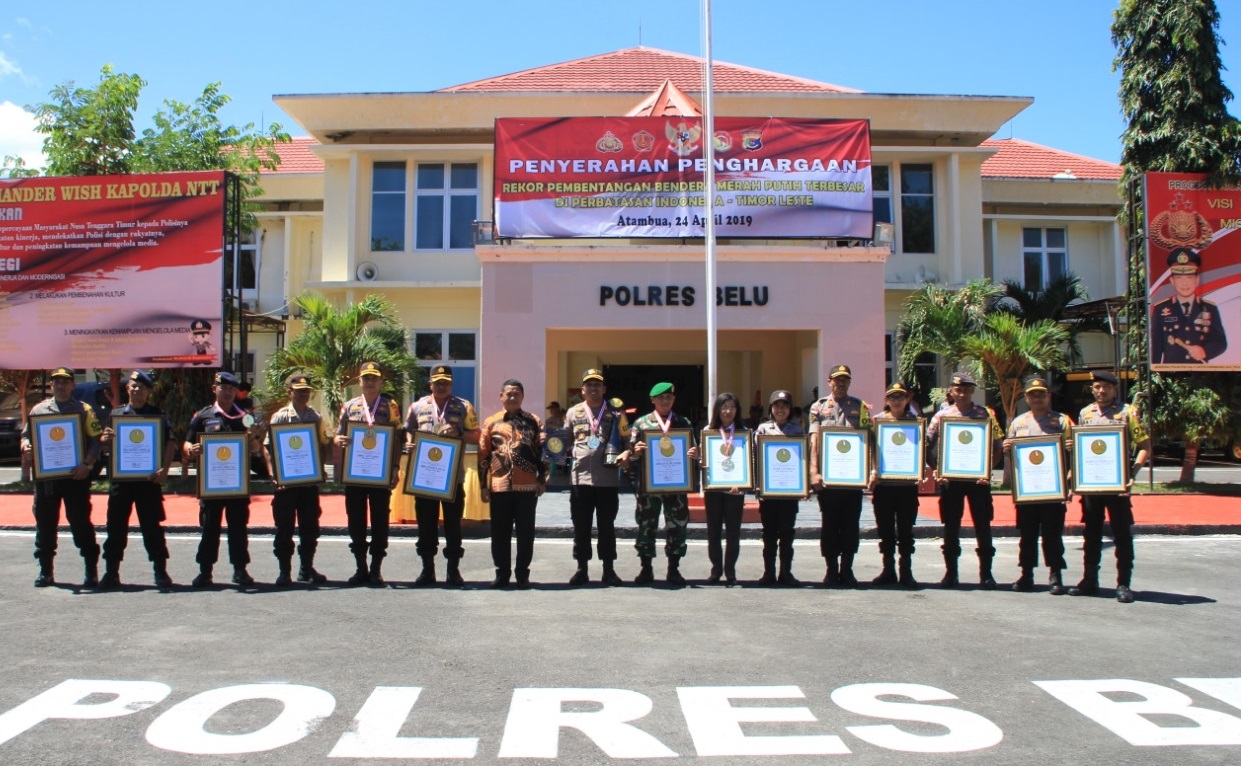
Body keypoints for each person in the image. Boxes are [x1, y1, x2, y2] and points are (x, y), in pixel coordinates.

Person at [1070, 370, 1152, 604]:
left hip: (1117, 484)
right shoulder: (1085, 413)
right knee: (1091, 533)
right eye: (1097, 387)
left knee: (1122, 534)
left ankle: (1123, 583)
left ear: (1114, 388)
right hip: (1092, 485)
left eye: (1106, 386)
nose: (1101, 391)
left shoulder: (1127, 413)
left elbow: (1144, 445)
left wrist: (1133, 473)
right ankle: (1089, 580)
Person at [20, 366, 104, 587]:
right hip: (47, 480)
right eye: (56, 381)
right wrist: (27, 446)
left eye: (65, 381)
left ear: (72, 385)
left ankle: (90, 570)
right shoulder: (38, 410)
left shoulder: (84, 409)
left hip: (75, 477)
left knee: (80, 523)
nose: (60, 385)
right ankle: (46, 571)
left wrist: (88, 464)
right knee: (45, 524)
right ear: (51, 385)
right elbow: (26, 436)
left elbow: (96, 439)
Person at [184, 371, 265, 587]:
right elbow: (187, 442)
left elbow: (255, 445)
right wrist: (191, 450)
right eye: (224, 387)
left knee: (238, 528)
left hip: (236, 484)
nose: (228, 392)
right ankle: (205, 571)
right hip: (212, 485)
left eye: (232, 389)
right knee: (210, 528)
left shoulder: (244, 416)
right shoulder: (203, 416)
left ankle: (240, 570)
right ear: (215, 389)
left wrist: (254, 437)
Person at [98, 370, 177, 588]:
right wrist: (104, 439)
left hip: (148, 482)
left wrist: (165, 469)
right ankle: (111, 572)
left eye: (141, 387)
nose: (136, 390)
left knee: (152, 528)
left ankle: (160, 571)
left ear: (148, 391)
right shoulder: (116, 414)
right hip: (121, 483)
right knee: (115, 527)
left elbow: (171, 443)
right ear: (127, 388)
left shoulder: (158, 415)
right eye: (133, 386)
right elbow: (104, 440)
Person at [925, 371, 1004, 589]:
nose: (962, 393)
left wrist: (987, 470)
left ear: (972, 391)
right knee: (951, 526)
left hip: (978, 481)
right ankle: (951, 573)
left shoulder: (986, 414)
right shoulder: (941, 416)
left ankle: (986, 574)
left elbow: (997, 445)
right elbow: (926, 445)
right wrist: (936, 469)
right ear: (951, 391)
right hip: (951, 481)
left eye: (966, 389)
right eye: (957, 389)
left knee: (983, 526)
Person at [404, 364, 480, 587]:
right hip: (424, 477)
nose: (441, 385)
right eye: (437, 382)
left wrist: (460, 433)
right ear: (430, 384)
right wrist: (409, 442)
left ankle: (453, 571)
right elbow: (407, 429)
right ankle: (427, 570)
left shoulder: (463, 406)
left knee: (453, 525)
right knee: (425, 525)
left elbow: (477, 435)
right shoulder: (417, 407)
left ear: (451, 384)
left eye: (445, 382)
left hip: (452, 477)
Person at [617, 382, 699, 585]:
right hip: (649, 485)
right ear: (652, 400)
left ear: (673, 399)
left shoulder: (683, 422)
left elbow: (695, 450)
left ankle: (674, 569)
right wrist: (636, 452)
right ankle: (646, 569)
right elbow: (632, 454)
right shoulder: (641, 424)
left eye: (669, 397)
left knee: (677, 525)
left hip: (677, 485)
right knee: (647, 525)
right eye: (661, 397)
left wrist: (695, 454)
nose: (665, 401)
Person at [1002, 376, 1074, 595]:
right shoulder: (1018, 423)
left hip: (1053, 489)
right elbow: (1011, 454)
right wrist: (1007, 448)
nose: (1037, 398)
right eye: (1032, 394)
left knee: (1053, 534)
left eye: (1041, 394)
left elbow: (1075, 455)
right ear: (1026, 398)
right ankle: (1027, 574)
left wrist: (1069, 482)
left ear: (1048, 396)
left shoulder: (1062, 421)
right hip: (1028, 490)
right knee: (1027, 534)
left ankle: (1055, 575)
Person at [335, 361, 404, 586]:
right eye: (366, 378)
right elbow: (337, 436)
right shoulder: (349, 406)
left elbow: (397, 438)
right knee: (355, 521)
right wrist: (340, 440)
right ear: (360, 382)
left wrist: (395, 467)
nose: (370, 382)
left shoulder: (390, 406)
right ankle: (360, 567)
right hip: (355, 473)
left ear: (381, 382)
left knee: (380, 521)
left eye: (375, 378)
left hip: (380, 474)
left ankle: (376, 569)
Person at [478, 379, 547, 588]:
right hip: (499, 486)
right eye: (508, 394)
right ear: (501, 396)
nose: (512, 397)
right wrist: (483, 485)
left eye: (517, 394)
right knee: (500, 533)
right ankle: (502, 574)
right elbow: (483, 455)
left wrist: (542, 479)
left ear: (523, 397)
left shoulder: (533, 421)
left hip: (527, 486)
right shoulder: (491, 422)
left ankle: (522, 574)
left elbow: (543, 452)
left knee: (526, 533)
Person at [808, 364, 872, 587]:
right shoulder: (818, 407)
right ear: (829, 382)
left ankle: (847, 569)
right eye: (837, 379)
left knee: (850, 526)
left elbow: (869, 441)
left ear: (850, 382)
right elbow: (814, 442)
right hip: (828, 481)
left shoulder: (860, 407)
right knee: (830, 525)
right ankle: (831, 569)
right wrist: (813, 472)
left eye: (845, 379)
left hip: (852, 481)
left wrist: (870, 470)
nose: (841, 383)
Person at [563, 368, 629, 586]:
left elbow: (626, 440)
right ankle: (581, 568)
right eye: (589, 384)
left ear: (604, 389)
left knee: (606, 526)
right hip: (580, 479)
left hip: (607, 479)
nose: (593, 388)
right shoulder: (573, 413)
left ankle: (608, 569)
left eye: (597, 384)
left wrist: (628, 452)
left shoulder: (616, 413)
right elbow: (563, 441)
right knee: (581, 526)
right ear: (582, 389)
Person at [263, 373, 329, 586]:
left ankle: (306, 568)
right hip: (286, 484)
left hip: (309, 484)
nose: (303, 395)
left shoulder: (315, 417)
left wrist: (320, 469)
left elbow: (321, 445)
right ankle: (284, 571)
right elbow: (268, 448)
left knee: (310, 527)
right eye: (299, 391)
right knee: (284, 528)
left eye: (306, 391)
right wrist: (273, 472)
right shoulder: (280, 417)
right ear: (289, 392)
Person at [868, 381, 921, 589]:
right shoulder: (877, 422)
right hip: (884, 485)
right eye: (892, 397)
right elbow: (870, 450)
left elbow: (920, 450)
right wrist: (873, 471)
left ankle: (906, 571)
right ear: (886, 400)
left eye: (900, 396)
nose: (897, 400)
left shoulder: (916, 422)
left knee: (906, 532)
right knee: (886, 530)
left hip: (907, 486)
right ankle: (888, 570)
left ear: (907, 399)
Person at [755, 390, 805, 586]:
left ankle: (786, 572)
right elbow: (755, 459)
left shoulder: (797, 430)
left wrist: (803, 485)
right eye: (777, 405)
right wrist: (758, 485)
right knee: (768, 534)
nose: (780, 409)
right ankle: (769, 572)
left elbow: (802, 458)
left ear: (790, 408)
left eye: (784, 405)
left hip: (789, 493)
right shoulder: (763, 429)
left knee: (787, 533)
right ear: (771, 408)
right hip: (769, 492)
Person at [1150, 247, 1227, 364]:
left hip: (1201, 374)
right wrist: (1155, 374)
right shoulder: (1160, 309)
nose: (1184, 283)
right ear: (1172, 281)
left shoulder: (1210, 309)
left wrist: (1205, 351)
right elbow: (1155, 348)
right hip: (1171, 375)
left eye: (1189, 277)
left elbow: (1221, 342)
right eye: (1179, 278)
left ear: (1197, 280)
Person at [701, 392, 747, 586]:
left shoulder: (744, 432)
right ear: (717, 410)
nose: (728, 411)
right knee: (713, 531)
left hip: (736, 489)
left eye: (732, 407)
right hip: (713, 489)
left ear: (737, 411)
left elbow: (749, 460)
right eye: (724, 407)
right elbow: (704, 459)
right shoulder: (708, 431)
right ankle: (716, 569)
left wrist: (744, 483)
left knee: (733, 531)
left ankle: (730, 571)